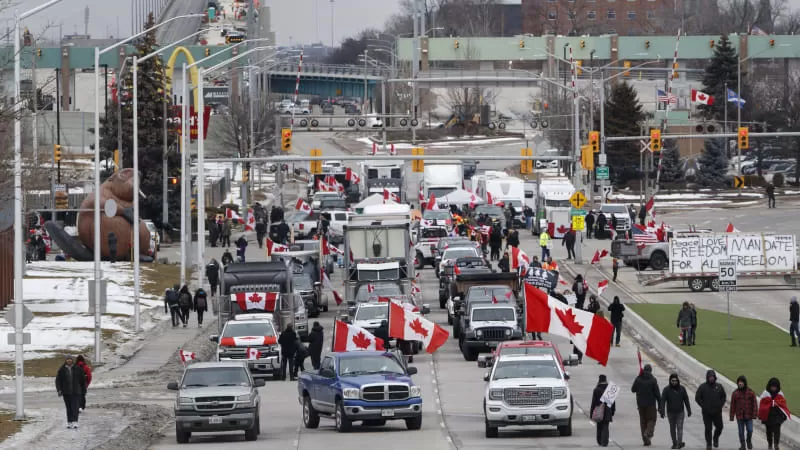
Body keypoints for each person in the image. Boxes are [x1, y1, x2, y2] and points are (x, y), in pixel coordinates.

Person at [695, 369, 727, 450]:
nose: (711, 378)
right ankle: (709, 444)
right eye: (710, 377)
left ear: (715, 377)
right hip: (706, 412)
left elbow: (723, 396)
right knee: (708, 428)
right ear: (707, 377)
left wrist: (720, 405)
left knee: (720, 427)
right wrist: (703, 406)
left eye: (712, 377)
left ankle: (715, 438)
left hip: (717, 411)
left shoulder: (719, 386)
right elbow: (697, 397)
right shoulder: (703, 387)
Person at [632, 364, 661, 446]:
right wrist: (660, 405)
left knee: (643, 422)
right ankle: (648, 433)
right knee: (652, 419)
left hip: (640, 404)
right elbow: (657, 394)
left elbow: (633, 389)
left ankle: (646, 441)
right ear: (651, 371)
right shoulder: (653, 380)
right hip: (651, 404)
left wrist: (638, 380)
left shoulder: (638, 379)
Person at [660, 373, 691, 449]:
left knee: (680, 427)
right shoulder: (666, 390)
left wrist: (689, 410)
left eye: (675, 381)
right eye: (672, 381)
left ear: (678, 381)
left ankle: (679, 443)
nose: (674, 382)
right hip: (670, 412)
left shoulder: (682, 389)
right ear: (670, 381)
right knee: (672, 428)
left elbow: (686, 400)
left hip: (680, 412)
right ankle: (674, 443)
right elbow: (663, 400)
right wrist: (662, 411)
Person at [55, 355, 86, 429]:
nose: (69, 361)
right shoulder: (62, 370)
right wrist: (59, 390)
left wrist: (83, 391)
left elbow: (82, 381)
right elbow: (58, 381)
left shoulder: (78, 369)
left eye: (70, 359)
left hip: (76, 392)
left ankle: (75, 422)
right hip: (66, 392)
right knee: (68, 408)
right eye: (68, 359)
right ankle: (69, 422)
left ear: (72, 360)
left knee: (75, 407)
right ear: (66, 360)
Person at [758, 377, 789, 450]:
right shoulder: (765, 393)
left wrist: (776, 404)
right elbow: (762, 403)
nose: (774, 388)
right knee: (768, 431)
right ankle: (770, 444)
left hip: (777, 415)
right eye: (772, 387)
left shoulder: (780, 393)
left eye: (775, 387)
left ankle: (776, 444)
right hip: (768, 415)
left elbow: (783, 404)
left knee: (777, 430)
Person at [730, 375, 758, 450]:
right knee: (741, 432)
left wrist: (754, 414)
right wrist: (732, 416)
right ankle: (743, 445)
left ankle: (748, 440)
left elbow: (754, 404)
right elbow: (732, 405)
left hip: (748, 416)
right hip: (739, 416)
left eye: (741, 382)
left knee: (750, 430)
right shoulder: (735, 393)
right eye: (739, 382)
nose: (740, 383)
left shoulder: (751, 392)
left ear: (744, 383)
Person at [590, 374, 616, 447]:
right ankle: (605, 441)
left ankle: (599, 441)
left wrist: (591, 412)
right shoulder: (610, 389)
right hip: (608, 410)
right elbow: (613, 402)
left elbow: (593, 402)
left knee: (599, 426)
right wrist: (613, 411)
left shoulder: (596, 389)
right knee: (605, 426)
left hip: (598, 410)